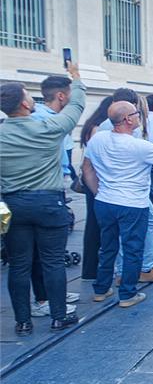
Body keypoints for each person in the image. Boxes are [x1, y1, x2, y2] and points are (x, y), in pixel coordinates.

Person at [0, 65, 85, 335]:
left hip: (13, 204)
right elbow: (76, 107)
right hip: (49, 203)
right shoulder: (48, 127)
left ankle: (22, 321)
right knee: (52, 261)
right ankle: (59, 316)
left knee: (19, 264)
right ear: (25, 104)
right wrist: (77, 78)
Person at [83, 101, 153, 308]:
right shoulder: (138, 145)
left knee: (108, 246)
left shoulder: (98, 138)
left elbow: (87, 169)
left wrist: (98, 192)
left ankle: (101, 289)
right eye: (136, 113)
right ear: (128, 119)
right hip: (131, 203)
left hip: (104, 201)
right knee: (132, 249)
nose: (140, 116)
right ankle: (128, 293)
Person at [79, 97, 113, 280]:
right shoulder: (98, 128)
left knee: (93, 224)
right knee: (95, 225)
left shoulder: (92, 124)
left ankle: (91, 268)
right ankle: (91, 269)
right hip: (96, 180)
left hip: (93, 178)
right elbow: (93, 159)